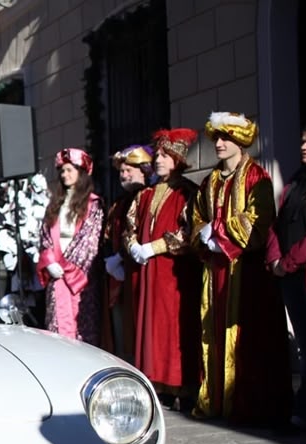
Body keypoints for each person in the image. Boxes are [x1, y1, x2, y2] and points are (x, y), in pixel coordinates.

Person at [190, 112, 291, 424]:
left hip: (245, 273)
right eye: (217, 138)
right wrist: (202, 235)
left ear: (240, 141)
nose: (219, 144)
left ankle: (246, 403)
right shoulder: (210, 180)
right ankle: (217, 399)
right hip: (215, 269)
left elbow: (260, 221)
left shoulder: (256, 178)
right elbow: (195, 217)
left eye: (226, 138)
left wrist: (218, 231)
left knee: (246, 337)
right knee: (215, 334)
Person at [123, 129, 202, 411]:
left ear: (177, 159)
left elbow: (188, 231)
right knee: (152, 327)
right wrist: (132, 244)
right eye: (158, 154)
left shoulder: (188, 192)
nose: (158, 159)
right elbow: (130, 224)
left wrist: (154, 247)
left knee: (175, 329)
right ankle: (157, 384)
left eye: (165, 155)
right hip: (148, 273)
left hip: (174, 272)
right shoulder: (144, 195)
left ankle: (182, 385)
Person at [266, 118, 306, 437]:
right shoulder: (295, 182)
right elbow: (277, 225)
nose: (304, 147)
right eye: (303, 141)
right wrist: (275, 258)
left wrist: (289, 261)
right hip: (292, 278)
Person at [36, 148, 104, 345]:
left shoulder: (93, 205)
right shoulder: (55, 204)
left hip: (80, 278)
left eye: (70, 170)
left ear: (81, 172)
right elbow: (45, 235)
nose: (65, 175)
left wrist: (67, 267)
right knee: (57, 323)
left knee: (81, 325)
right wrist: (49, 261)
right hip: (56, 273)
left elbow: (90, 240)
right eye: (62, 171)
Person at [103, 145, 154, 359]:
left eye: (128, 171)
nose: (123, 175)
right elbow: (107, 236)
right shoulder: (119, 204)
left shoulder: (150, 198)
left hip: (144, 274)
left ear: (143, 170)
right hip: (119, 280)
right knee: (121, 333)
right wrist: (111, 260)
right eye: (121, 172)